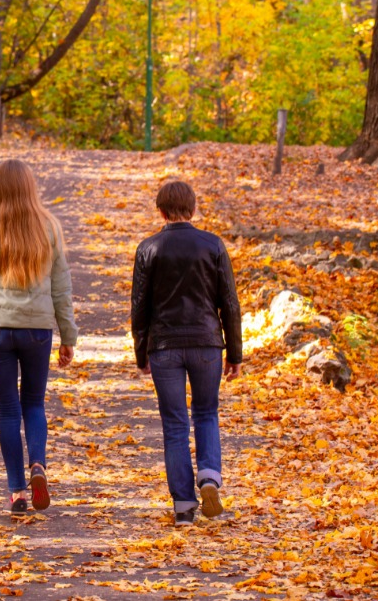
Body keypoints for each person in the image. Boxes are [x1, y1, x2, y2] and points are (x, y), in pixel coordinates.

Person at [0, 159, 77, 517]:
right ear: (30, 187)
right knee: (34, 404)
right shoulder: (48, 226)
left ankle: (17, 492)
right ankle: (39, 464)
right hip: (37, 329)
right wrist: (68, 336)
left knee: (9, 410)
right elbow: (61, 288)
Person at [130, 180, 242, 526]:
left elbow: (139, 307)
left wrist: (141, 352)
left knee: (175, 424)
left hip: (164, 347)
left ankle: (182, 506)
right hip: (207, 343)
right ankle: (209, 477)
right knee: (206, 413)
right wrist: (235, 354)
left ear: (160, 211)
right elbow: (230, 303)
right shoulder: (213, 245)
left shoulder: (149, 248)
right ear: (193, 209)